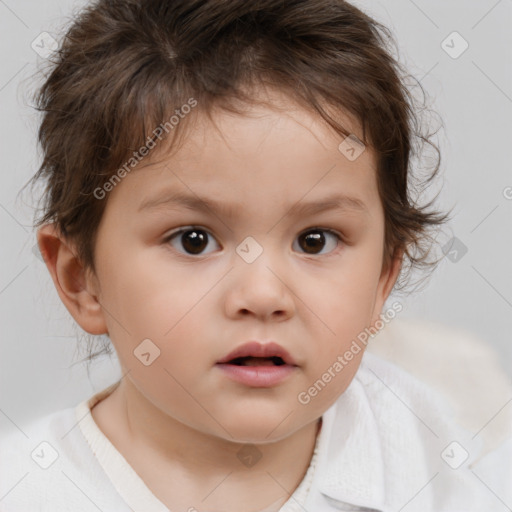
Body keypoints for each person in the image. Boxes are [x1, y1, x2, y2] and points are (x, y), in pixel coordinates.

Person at [0, 1, 508, 510]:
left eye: (316, 240)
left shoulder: (425, 458)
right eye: (193, 240)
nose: (263, 295)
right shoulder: (27, 489)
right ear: (80, 279)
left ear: (382, 279)